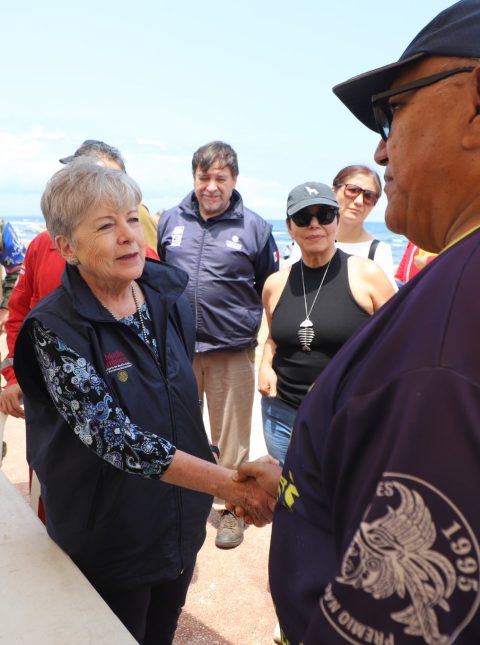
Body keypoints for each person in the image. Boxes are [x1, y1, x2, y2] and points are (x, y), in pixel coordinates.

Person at [234, 1, 480, 642]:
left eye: (392, 110)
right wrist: (302, 485)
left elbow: (404, 611)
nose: (380, 148)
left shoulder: (451, 326)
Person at [13, 160, 275, 645]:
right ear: (67, 247)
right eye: (105, 226)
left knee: (161, 631)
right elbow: (115, 438)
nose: (128, 236)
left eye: (132, 218)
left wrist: (204, 480)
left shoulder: (166, 295)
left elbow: (177, 399)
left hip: (177, 520)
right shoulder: (54, 327)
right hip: (109, 535)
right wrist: (230, 485)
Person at [158, 141, 279, 549]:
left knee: (232, 438)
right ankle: (179, 503)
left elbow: (269, 289)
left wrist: (269, 352)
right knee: (177, 429)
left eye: (220, 178)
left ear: (234, 180)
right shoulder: (170, 220)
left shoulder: (255, 228)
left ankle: (233, 510)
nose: (211, 186)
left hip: (232, 349)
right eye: (203, 177)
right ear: (194, 178)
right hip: (178, 349)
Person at [0, 139, 158, 422]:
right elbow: (19, 316)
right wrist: (15, 375)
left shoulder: (144, 262)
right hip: (49, 405)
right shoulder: (41, 247)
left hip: (129, 408)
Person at [259, 182, 394, 465]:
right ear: (289, 227)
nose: (314, 224)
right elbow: (273, 337)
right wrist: (265, 365)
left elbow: (399, 341)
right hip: (281, 414)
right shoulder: (275, 284)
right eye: (303, 217)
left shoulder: (367, 275)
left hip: (346, 414)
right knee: (284, 489)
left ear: (337, 221)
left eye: (324, 215)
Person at [333, 164, 398, 289]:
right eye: (352, 190)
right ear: (333, 191)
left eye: (368, 196)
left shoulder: (378, 252)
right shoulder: (308, 239)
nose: (359, 201)